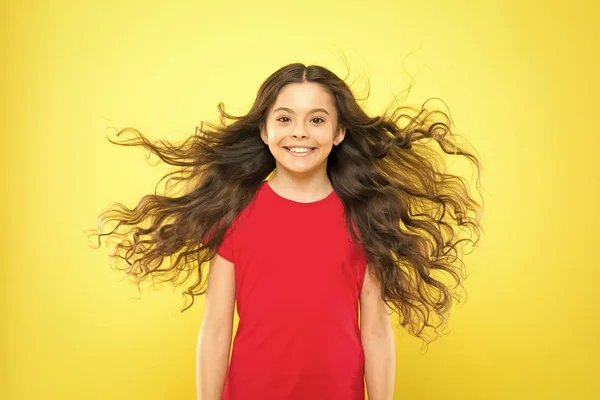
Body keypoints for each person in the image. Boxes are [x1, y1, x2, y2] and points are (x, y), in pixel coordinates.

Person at [89, 62, 484, 400]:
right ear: (264, 131)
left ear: (339, 132)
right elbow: (215, 328)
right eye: (284, 118)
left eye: (316, 119)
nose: (299, 132)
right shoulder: (235, 212)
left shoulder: (365, 216)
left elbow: (377, 331)